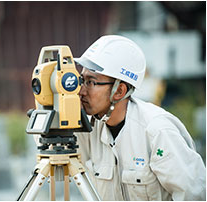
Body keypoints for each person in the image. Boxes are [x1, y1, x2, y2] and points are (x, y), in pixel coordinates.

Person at [73, 35, 206, 201]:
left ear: (119, 91)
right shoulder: (89, 130)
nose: (81, 91)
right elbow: (51, 150)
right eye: (81, 80)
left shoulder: (157, 130)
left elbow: (193, 195)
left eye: (91, 82)